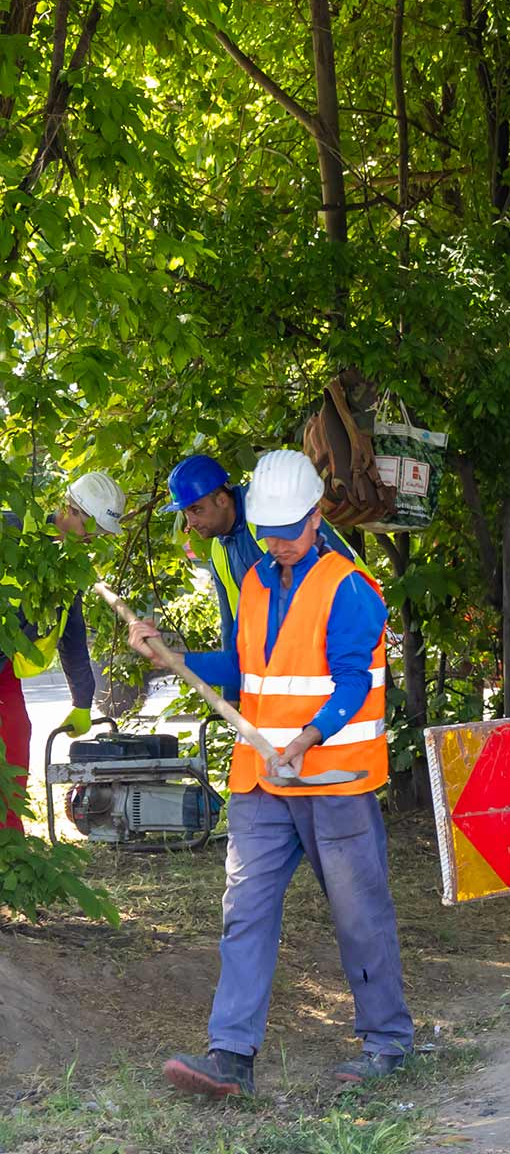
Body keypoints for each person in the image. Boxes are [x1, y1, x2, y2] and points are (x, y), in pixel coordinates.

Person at [128, 450, 412, 1098]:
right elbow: (241, 664)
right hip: (260, 780)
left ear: (317, 516)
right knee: (245, 911)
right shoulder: (254, 580)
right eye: (270, 530)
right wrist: (175, 656)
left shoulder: (351, 589)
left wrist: (309, 737)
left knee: (358, 914)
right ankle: (230, 1056)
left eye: (290, 528)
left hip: (333, 781)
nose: (279, 542)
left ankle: (388, 1042)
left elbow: (350, 683)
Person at [2, 473, 124, 831]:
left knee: (15, 736)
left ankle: (9, 844)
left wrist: (82, 701)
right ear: (71, 508)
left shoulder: (69, 566)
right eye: (93, 527)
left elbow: (72, 635)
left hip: (4, 668)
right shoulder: (11, 529)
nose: (94, 537)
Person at [162, 453, 364, 643]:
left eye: (196, 509)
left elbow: (340, 572)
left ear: (222, 500)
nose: (191, 522)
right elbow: (232, 630)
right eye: (186, 512)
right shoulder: (218, 550)